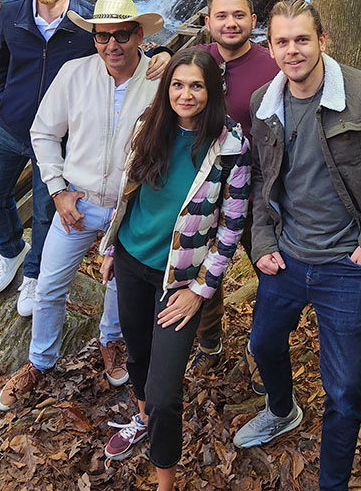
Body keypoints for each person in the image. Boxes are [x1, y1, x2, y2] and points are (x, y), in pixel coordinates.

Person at [233, 0, 361, 491]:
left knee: (343, 390)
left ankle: (331, 484)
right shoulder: (263, 104)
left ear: (323, 40)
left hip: (350, 266)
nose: (292, 51)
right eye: (282, 41)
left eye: (302, 39)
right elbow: (260, 180)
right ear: (269, 47)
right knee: (264, 343)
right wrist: (261, 240)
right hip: (286, 260)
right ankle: (281, 408)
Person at [0, 0, 166, 410]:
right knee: (50, 286)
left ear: (139, 35)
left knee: (119, 289)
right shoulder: (73, 74)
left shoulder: (161, 81)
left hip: (132, 209)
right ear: (93, 38)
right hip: (78, 204)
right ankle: (39, 362)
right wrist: (57, 189)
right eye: (103, 36)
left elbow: (204, 86)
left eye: (122, 35)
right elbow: (44, 133)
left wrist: (172, 57)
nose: (112, 45)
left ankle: (112, 341)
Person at [0, 0, 168, 315]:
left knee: (45, 208)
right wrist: (1, 102)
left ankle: (34, 276)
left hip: (58, 135)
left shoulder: (89, 22)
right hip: (11, 126)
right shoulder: (11, 12)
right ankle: (11, 252)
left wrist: (165, 57)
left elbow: (124, 51)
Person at [97, 48, 250, 491]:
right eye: (178, 84)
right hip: (131, 261)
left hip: (179, 282)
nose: (186, 94)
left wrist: (201, 289)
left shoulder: (230, 145)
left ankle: (165, 480)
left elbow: (232, 224)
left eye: (197, 86)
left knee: (166, 394)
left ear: (212, 91)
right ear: (167, 88)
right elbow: (128, 190)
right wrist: (110, 247)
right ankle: (140, 418)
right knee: (138, 356)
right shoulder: (152, 123)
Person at [187, 0, 278, 384]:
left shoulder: (271, 68)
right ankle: (209, 343)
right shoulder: (194, 60)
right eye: (221, 16)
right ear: (207, 23)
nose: (230, 23)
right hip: (205, 186)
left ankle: (263, 348)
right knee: (204, 265)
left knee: (269, 270)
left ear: (253, 21)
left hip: (257, 188)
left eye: (239, 15)